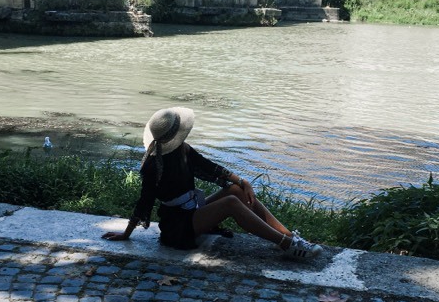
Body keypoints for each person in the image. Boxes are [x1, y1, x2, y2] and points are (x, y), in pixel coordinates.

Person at [102, 107, 323, 260]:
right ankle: (286, 245)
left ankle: (290, 237)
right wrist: (126, 233)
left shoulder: (183, 149)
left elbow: (209, 167)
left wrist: (242, 181)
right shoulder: (153, 166)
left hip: (193, 212)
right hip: (177, 228)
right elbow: (144, 201)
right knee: (230, 203)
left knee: (235, 191)